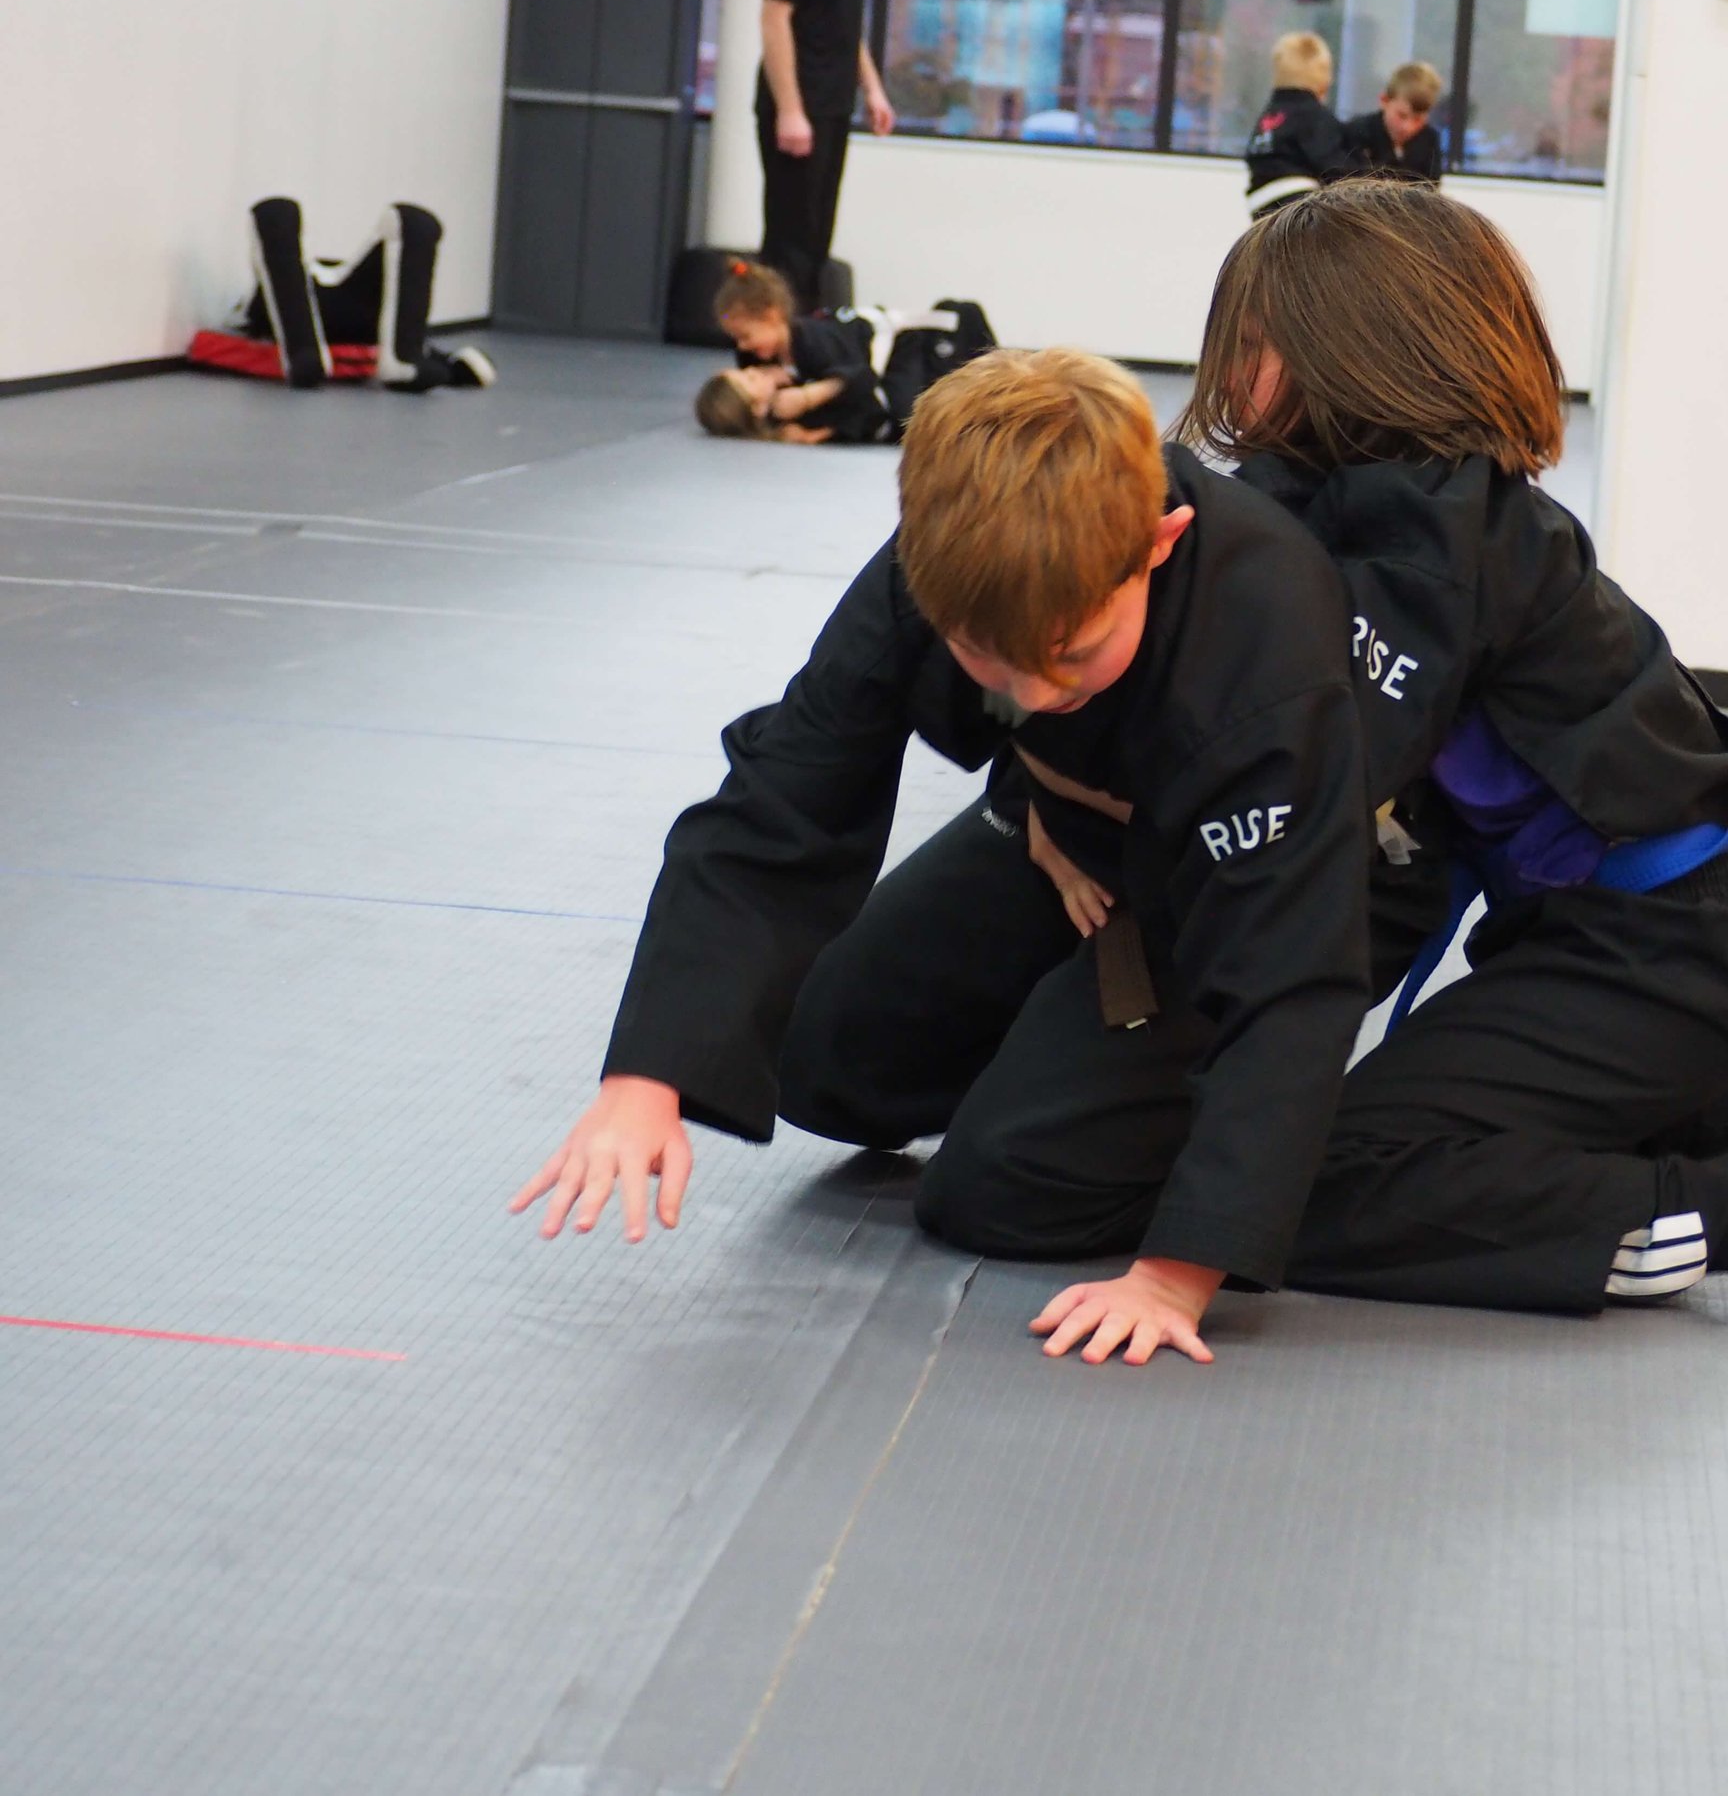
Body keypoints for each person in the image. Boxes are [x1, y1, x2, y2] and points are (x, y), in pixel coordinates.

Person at [1159, 179, 1728, 1332]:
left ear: (1354, 359)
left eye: (1255, 349)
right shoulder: (1438, 509)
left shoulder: (1431, 545)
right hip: (1657, 929)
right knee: (1495, 1113)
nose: (1230, 379)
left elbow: (1335, 760)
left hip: (1665, 948)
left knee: (1317, 1183)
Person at [515, 348, 1380, 1370]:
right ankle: (1071, 1063)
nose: (1038, 694)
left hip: (1240, 883)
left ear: (1158, 544)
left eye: (1074, 653)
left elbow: (1291, 973)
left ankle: (1212, 1138)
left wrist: (1177, 1271)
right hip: (1063, 828)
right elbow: (781, 802)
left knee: (999, 1188)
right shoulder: (944, 568)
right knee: (820, 1060)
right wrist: (646, 1076)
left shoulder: (1268, 639)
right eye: (992, 662)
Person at [757, 0, 895, 312]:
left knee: (817, 240)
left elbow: (842, 18)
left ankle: (805, 335)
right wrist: (790, 109)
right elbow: (774, 17)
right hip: (801, 103)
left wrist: (872, 87)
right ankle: (772, 341)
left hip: (835, 101)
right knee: (791, 240)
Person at [711, 261, 884, 440]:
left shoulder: (814, 342)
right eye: (736, 339)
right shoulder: (752, 357)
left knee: (894, 410)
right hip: (851, 374)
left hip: (882, 342)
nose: (741, 346)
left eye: (745, 336)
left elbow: (863, 377)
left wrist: (807, 397)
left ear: (772, 317)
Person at [1244, 32, 1351, 221]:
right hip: (1298, 206)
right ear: (1324, 79)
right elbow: (1334, 167)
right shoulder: (1314, 116)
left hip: (1259, 206)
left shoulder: (1269, 117)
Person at [1343, 62, 1445, 184]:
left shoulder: (1429, 140)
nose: (1407, 127)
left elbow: (1432, 185)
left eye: (1418, 119)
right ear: (1384, 101)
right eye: (1402, 115)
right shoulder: (1358, 132)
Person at [692, 367, 832, 443]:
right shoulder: (798, 424)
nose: (753, 369)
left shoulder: (786, 382)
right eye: (751, 379)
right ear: (758, 408)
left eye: (743, 371)